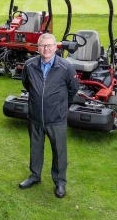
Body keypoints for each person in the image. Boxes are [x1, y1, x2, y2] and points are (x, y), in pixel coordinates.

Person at [19, 33, 79, 198]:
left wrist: (61, 106)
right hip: (35, 117)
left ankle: (60, 182)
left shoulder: (66, 67)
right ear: (38, 48)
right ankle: (34, 176)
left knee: (59, 152)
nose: (46, 49)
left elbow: (73, 89)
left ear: (55, 47)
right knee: (35, 149)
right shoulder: (29, 66)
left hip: (57, 119)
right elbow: (26, 84)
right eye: (42, 46)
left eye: (49, 45)